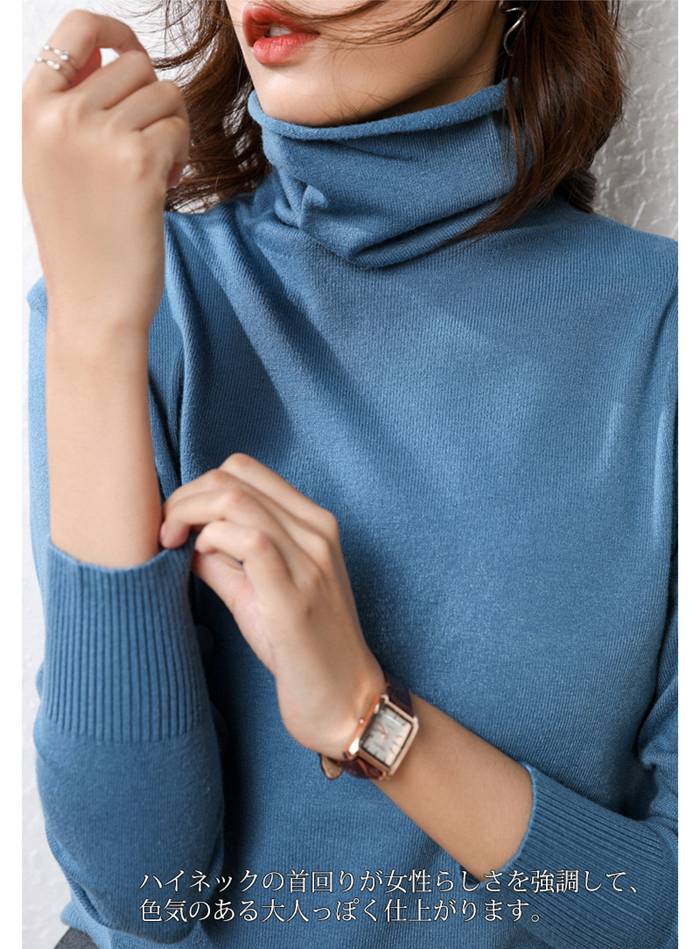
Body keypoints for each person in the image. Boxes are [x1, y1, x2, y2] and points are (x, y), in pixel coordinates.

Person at [23, 2, 677, 948]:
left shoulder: (665, 337)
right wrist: (91, 334)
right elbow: (135, 886)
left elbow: (667, 906)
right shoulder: (138, 294)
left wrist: (368, 720)